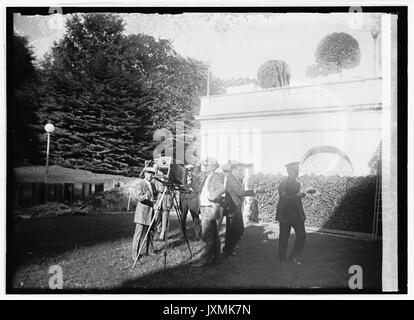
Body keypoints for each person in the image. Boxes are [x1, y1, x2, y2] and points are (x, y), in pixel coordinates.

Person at [221, 162, 264, 257]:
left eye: (242, 170)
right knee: (237, 230)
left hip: (235, 208)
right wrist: (255, 191)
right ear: (233, 170)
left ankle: (228, 250)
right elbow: (240, 193)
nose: (242, 172)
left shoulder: (234, 178)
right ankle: (228, 250)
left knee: (233, 231)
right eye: (240, 170)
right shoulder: (231, 178)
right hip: (233, 209)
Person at [191, 157, 225, 267]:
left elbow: (222, 188)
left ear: (213, 167)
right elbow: (196, 178)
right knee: (214, 234)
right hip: (207, 207)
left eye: (207, 165)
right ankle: (217, 257)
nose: (205, 166)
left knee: (207, 236)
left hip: (209, 207)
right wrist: (197, 166)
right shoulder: (207, 176)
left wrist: (212, 196)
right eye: (205, 165)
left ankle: (204, 260)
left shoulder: (215, 177)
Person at [276, 162, 307, 267]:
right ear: (289, 171)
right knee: (284, 238)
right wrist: (297, 196)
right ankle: (282, 260)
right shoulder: (283, 185)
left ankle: (294, 256)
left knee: (302, 235)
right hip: (285, 214)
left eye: (297, 171)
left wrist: (302, 214)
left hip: (297, 215)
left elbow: (298, 201)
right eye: (295, 171)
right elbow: (284, 199)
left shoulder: (298, 184)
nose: (297, 173)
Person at [131, 166, 157, 260]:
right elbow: (139, 197)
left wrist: (156, 201)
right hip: (142, 212)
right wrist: (145, 196)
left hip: (151, 212)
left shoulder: (153, 185)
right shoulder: (140, 184)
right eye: (148, 173)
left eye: (151, 173)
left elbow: (155, 196)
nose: (150, 175)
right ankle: (135, 255)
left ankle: (150, 251)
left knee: (151, 232)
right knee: (139, 233)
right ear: (144, 174)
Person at [180, 164, 202, 241]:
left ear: (192, 170)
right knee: (182, 218)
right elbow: (181, 188)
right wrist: (188, 188)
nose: (188, 172)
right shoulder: (182, 178)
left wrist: (190, 183)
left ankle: (197, 236)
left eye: (190, 170)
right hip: (184, 200)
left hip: (193, 200)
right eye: (187, 170)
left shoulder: (196, 178)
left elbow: (197, 189)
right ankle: (182, 235)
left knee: (195, 218)